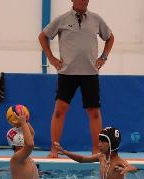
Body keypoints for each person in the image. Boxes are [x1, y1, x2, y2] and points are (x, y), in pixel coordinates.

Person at [39, 0, 114, 158]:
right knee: (59, 110)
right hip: (67, 73)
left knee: (94, 112)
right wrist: (51, 58)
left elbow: (110, 37)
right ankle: (54, 150)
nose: (82, 1)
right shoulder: (62, 19)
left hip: (90, 73)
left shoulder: (96, 19)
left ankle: (96, 150)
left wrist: (103, 57)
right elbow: (43, 36)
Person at [52, 127, 137, 179]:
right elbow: (82, 159)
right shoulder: (101, 157)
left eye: (103, 142)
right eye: (99, 141)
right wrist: (65, 152)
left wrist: (127, 169)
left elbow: (134, 168)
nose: (99, 145)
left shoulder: (118, 162)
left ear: (112, 143)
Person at [7, 111, 39, 179]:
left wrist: (25, 121)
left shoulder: (24, 155)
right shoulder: (16, 158)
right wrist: (23, 123)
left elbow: (32, 134)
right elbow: (29, 145)